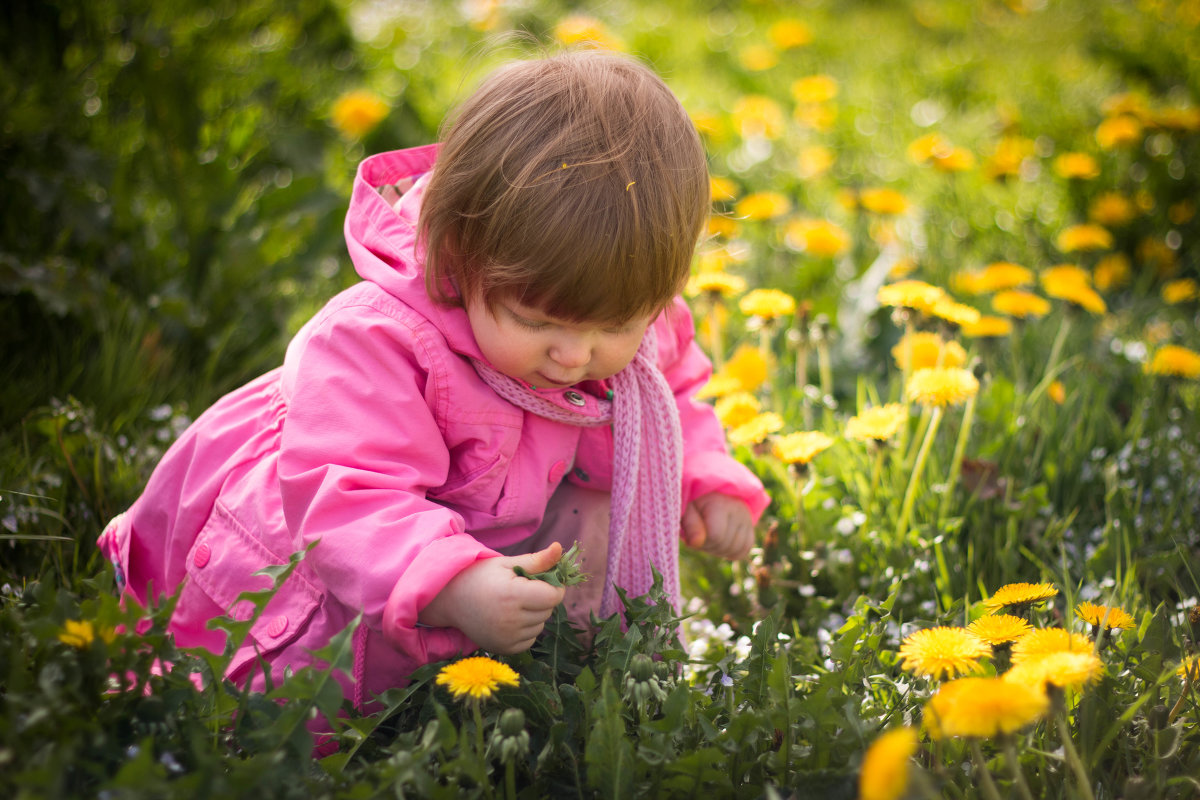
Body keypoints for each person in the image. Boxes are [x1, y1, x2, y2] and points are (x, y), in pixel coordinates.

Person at [99, 48, 769, 712]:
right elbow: (352, 497)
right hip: (329, 561)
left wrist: (707, 476)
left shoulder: (624, 307)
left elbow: (676, 390)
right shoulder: (378, 344)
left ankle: (571, 676)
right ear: (460, 257)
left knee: (611, 483)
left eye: (612, 329)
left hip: (496, 530)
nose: (574, 355)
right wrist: (456, 585)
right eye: (536, 322)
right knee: (278, 715)